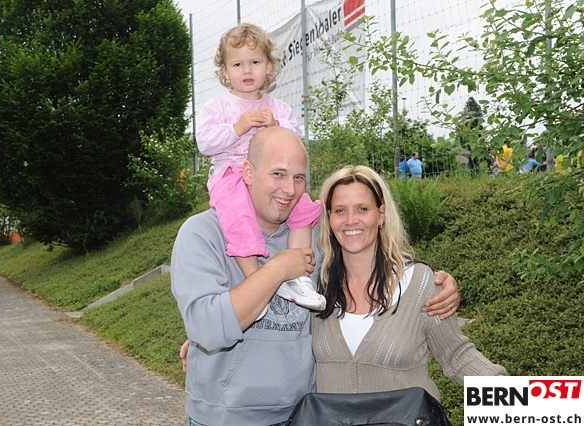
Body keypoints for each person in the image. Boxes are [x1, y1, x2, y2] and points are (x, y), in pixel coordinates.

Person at [172, 127, 461, 426]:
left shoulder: (315, 238)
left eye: (298, 177)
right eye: (278, 174)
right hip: (225, 418)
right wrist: (279, 268)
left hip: (304, 414)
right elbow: (209, 327)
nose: (289, 189)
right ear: (248, 172)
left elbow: (365, 252)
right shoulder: (202, 234)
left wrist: (433, 282)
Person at [311, 165, 507, 401]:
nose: (351, 220)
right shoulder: (313, 287)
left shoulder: (420, 283)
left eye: (363, 209)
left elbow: (456, 355)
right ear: (329, 218)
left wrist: (521, 401)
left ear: (381, 214)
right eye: (340, 210)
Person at [196, 22, 324, 315]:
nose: (247, 70)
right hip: (231, 176)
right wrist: (237, 127)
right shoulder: (218, 106)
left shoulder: (278, 108)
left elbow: (295, 141)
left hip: (271, 179)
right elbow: (205, 142)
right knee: (238, 216)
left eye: (255, 62)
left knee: (302, 207)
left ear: (269, 67)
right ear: (225, 71)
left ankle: (300, 278)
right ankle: (257, 284)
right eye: (237, 64)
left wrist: (277, 126)